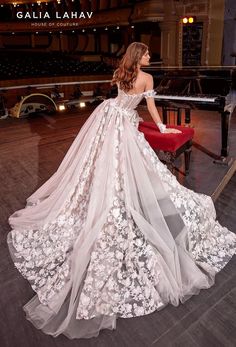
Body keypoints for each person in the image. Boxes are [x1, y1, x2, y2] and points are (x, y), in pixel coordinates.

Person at [7, 42, 236, 339]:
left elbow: (122, 98)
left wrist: (131, 111)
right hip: (124, 123)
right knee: (128, 165)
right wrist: (163, 128)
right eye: (147, 53)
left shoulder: (122, 72)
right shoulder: (148, 78)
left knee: (102, 164)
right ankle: (122, 199)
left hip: (109, 117)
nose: (151, 56)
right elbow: (150, 106)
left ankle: (107, 194)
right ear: (138, 57)